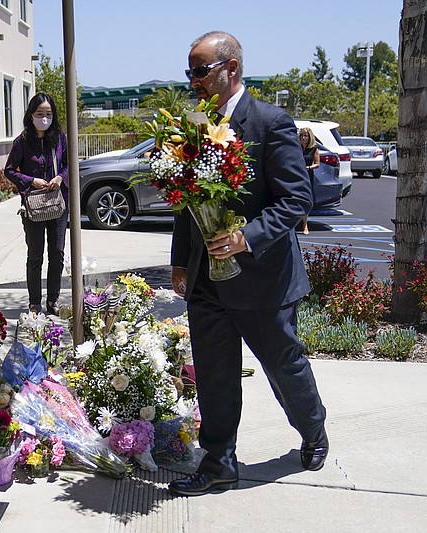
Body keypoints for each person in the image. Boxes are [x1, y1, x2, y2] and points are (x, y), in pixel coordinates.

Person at [168, 31, 328, 497]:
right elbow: (185, 202)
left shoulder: (270, 122)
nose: (194, 81)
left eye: (200, 71)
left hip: (263, 282)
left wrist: (245, 238)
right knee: (214, 376)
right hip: (206, 281)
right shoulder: (194, 125)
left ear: (230, 68)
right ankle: (219, 463)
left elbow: (297, 198)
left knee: (285, 368)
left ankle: (313, 431)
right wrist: (180, 262)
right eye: (190, 72)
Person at [4, 92, 69, 315]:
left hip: (58, 205)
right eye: (40, 113)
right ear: (31, 114)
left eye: (48, 114)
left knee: (57, 253)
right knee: (35, 255)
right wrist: (32, 181)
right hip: (33, 207)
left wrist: (60, 178)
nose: (44, 118)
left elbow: (69, 165)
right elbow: (9, 170)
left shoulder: (60, 138)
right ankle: (35, 301)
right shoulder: (22, 141)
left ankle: (53, 300)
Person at [299, 127, 319, 235]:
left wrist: (308, 168)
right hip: (297, 175)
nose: (303, 138)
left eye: (305, 135)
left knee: (305, 199)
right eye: (302, 135)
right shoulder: (297, 147)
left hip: (307, 175)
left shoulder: (313, 148)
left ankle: (305, 225)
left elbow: (317, 164)